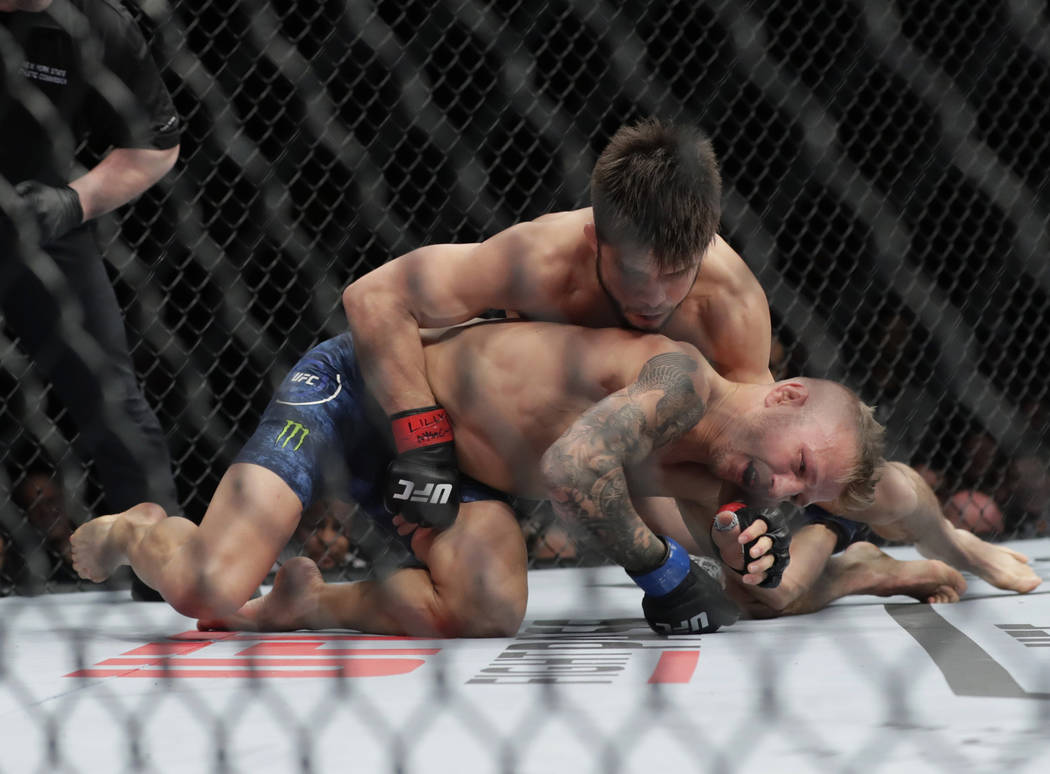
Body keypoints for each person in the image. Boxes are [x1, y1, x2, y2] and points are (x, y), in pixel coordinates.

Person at [338, 118, 1002, 615]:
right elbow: (383, 298)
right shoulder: (543, 257)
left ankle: (944, 538)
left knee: (813, 516)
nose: (654, 298)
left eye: (675, 277)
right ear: (601, 243)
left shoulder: (729, 303)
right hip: (580, 430)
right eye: (635, 276)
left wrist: (742, 520)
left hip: (679, 436)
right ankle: (858, 564)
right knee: (760, 584)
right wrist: (417, 431)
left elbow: (758, 435)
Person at [69, 318, 887, 636]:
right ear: (784, 395)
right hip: (370, 396)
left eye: (800, 497)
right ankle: (141, 527)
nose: (784, 492)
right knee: (207, 589)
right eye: (800, 468)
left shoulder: (724, 472)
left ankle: (301, 605)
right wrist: (671, 572)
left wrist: (753, 562)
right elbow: (578, 467)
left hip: (458, 472)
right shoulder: (675, 380)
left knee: (492, 608)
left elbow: (757, 589)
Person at [0, 0, 182, 599]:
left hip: (39, 218)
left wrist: (70, 203)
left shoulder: (98, 22)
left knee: (114, 399)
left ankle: (163, 572)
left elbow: (155, 144)